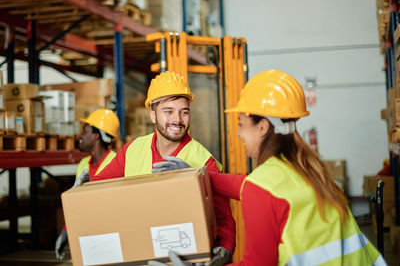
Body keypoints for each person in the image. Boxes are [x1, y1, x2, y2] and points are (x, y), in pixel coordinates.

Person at [151, 70, 386, 266]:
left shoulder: (264, 188)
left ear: (263, 127)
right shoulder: (308, 168)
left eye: (242, 124)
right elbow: (248, 185)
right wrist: (197, 176)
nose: (238, 133)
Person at [92, 71, 235, 265]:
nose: (177, 119)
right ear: (152, 114)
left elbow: (223, 218)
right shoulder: (132, 150)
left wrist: (225, 249)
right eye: (168, 111)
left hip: (184, 258)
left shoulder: (204, 160)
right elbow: (97, 191)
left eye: (184, 111)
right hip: (139, 255)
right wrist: (83, 188)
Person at [55, 108, 120, 260]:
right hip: (87, 237)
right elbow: (76, 204)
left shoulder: (116, 163)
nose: (80, 136)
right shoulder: (83, 165)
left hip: (110, 237)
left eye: (85, 132)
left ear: (96, 136)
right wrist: (66, 231)